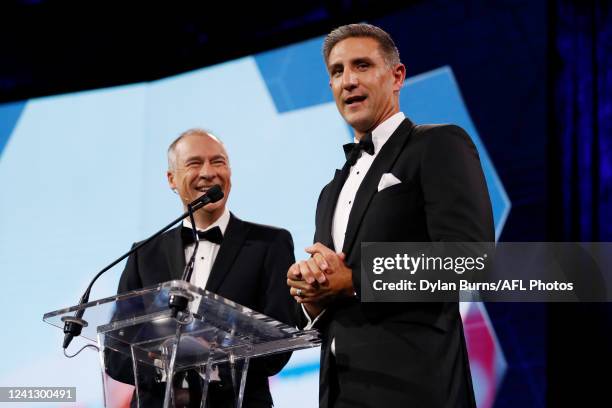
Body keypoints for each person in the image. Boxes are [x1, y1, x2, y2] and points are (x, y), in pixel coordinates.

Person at [286, 23, 494, 408]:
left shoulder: (437, 145)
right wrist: (311, 296)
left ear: (397, 76)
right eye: (337, 71)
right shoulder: (328, 193)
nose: (348, 81)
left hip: (416, 389)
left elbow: (472, 260)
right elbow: (332, 293)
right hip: (340, 393)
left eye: (362, 65)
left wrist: (356, 281)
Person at [106, 129, 295, 408]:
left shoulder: (269, 244)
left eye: (218, 162)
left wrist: (214, 357)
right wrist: (166, 362)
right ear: (171, 179)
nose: (208, 173)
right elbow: (115, 354)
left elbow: (278, 346)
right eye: (194, 164)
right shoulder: (144, 254)